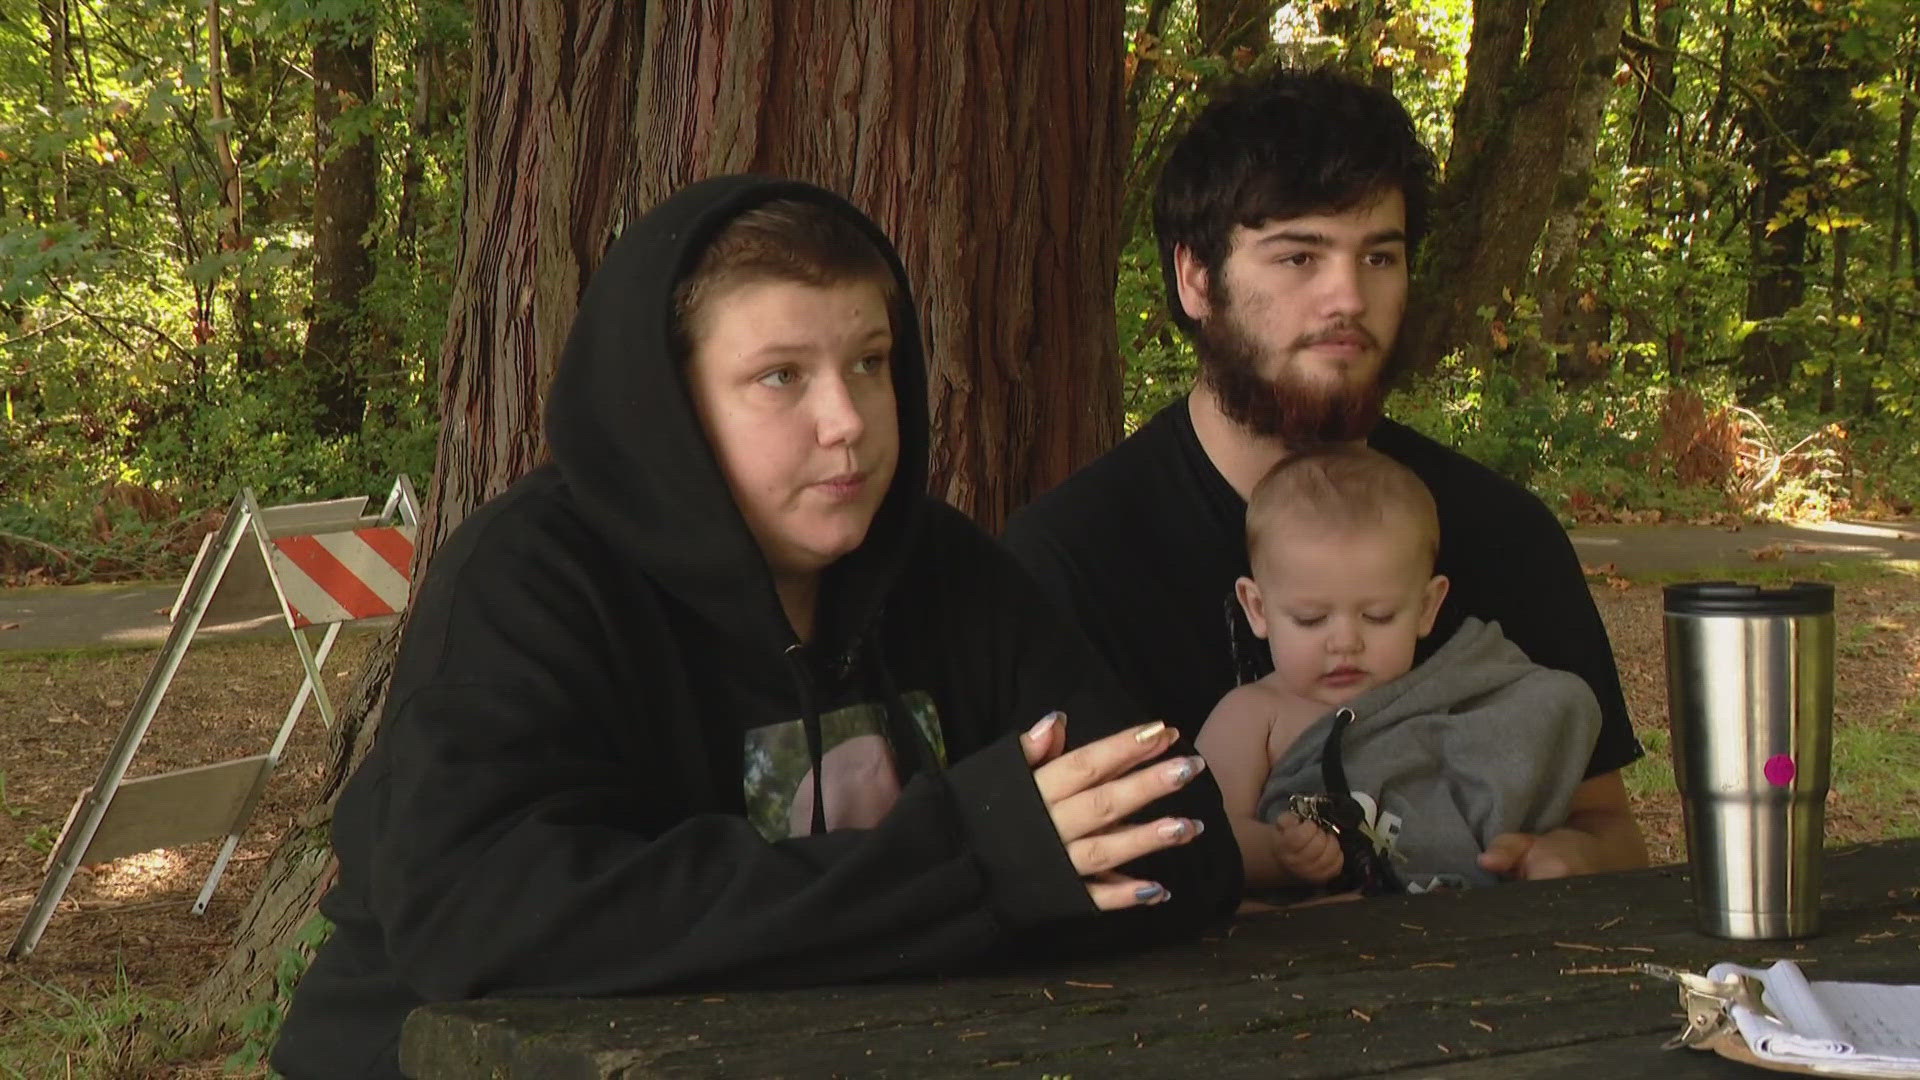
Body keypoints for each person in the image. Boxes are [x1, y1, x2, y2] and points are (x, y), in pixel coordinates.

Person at [271, 176, 1241, 1079]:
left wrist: (942, 890)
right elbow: (481, 915)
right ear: (670, 405)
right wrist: (971, 867)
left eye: (870, 363)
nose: (849, 419)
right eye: (780, 376)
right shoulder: (533, 582)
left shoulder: (941, 572)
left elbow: (1171, 837)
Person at [1002, 65, 1648, 883]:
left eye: (1379, 257)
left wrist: (1562, 861)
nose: (1347, 297)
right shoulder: (1073, 561)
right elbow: (1059, 881)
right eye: (1299, 256)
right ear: (1196, 279)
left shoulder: (1502, 537)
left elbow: (1613, 833)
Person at [1195, 446, 1601, 895]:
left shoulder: (1450, 698)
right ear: (1257, 608)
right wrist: (1277, 853)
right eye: (1310, 619)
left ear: (1427, 607)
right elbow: (1207, 833)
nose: (1346, 642)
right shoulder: (1254, 716)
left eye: (1379, 616)